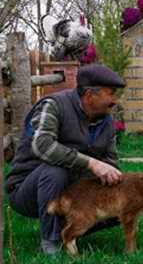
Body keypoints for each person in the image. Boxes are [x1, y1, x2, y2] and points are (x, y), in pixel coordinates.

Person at [6, 64, 126, 254]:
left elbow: (110, 162)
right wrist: (91, 163)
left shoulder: (107, 121)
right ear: (89, 96)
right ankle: (50, 242)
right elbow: (43, 146)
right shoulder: (53, 105)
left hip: (72, 190)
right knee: (55, 170)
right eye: (110, 94)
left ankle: (69, 231)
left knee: (122, 204)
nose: (115, 100)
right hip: (27, 189)